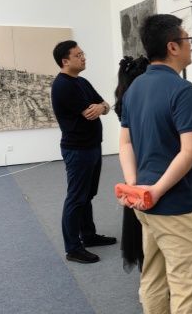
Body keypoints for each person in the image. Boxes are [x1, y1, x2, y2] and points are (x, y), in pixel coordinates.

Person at [119, 14, 192, 314]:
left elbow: (125, 143)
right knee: (185, 286)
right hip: (175, 205)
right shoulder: (183, 90)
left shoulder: (135, 88)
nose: (190, 46)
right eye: (187, 40)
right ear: (173, 46)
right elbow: (190, 152)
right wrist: (156, 191)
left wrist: (134, 185)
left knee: (153, 277)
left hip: (144, 202)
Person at [51, 40, 116, 264]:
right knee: (76, 197)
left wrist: (102, 106)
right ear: (65, 61)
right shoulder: (63, 85)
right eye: (78, 55)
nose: (83, 58)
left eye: (83, 54)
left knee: (87, 195)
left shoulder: (82, 82)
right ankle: (73, 248)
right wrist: (100, 107)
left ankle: (88, 235)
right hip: (78, 149)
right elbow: (90, 112)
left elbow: (105, 105)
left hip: (92, 146)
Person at [113, 55, 149, 273]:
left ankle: (147, 269)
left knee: (138, 219)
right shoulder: (137, 102)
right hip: (143, 161)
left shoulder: (124, 100)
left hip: (133, 165)